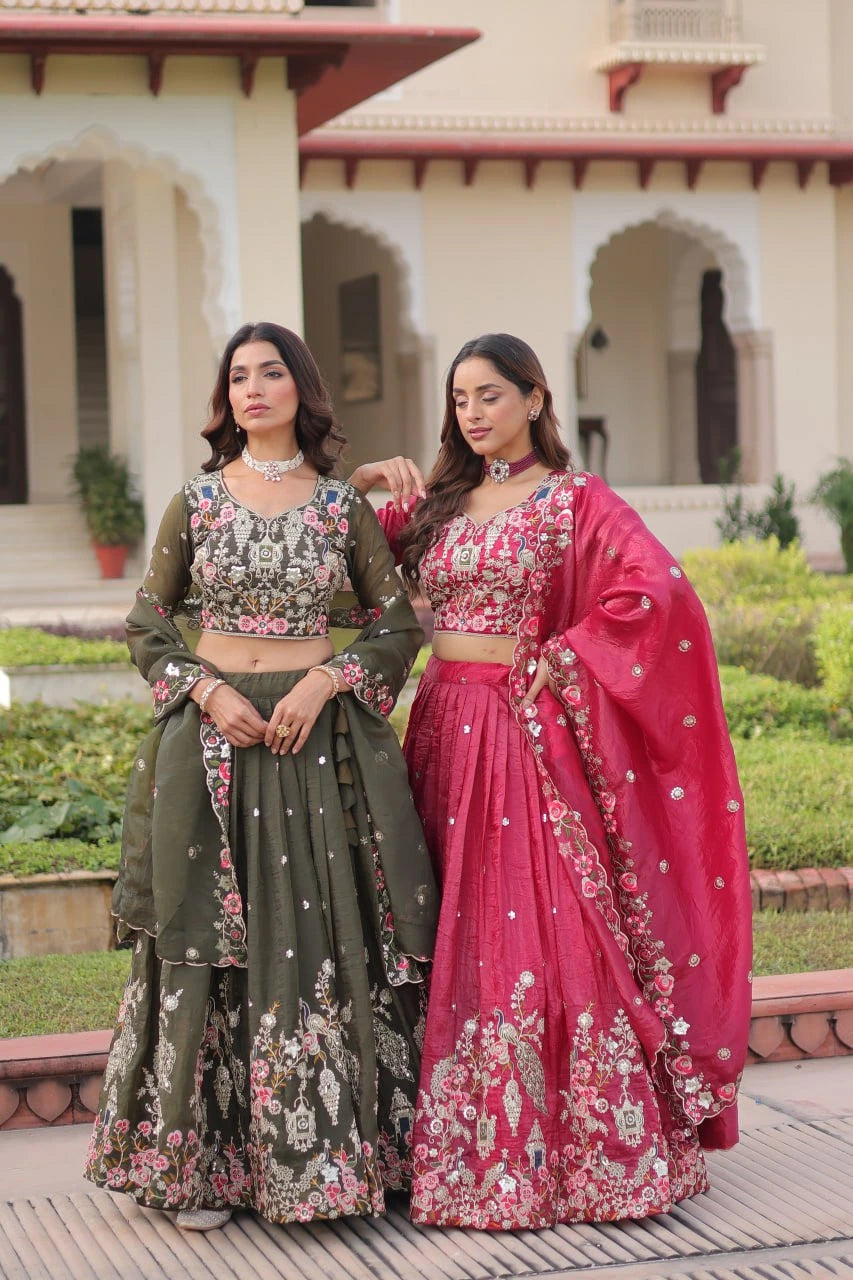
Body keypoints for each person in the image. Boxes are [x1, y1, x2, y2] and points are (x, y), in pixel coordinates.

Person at [351, 333, 752, 1232]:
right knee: (431, 922)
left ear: (533, 399)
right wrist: (364, 492)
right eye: (459, 400)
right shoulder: (438, 504)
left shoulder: (576, 500)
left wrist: (571, 652)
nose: (472, 413)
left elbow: (656, 588)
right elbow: (335, 565)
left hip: (515, 735)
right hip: (436, 731)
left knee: (533, 924)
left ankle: (564, 1149)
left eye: (489, 395)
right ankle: (427, 1138)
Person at [84, 322, 438, 1231]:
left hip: (308, 745)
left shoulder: (337, 510)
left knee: (312, 936)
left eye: (270, 372)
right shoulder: (193, 504)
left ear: (301, 389)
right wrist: (203, 690)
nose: (252, 388)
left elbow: (396, 625)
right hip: (211, 745)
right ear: (226, 397)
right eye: (237, 376)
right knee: (211, 935)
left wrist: (326, 678)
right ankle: (204, 1167)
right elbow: (146, 622)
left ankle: (328, 1158)